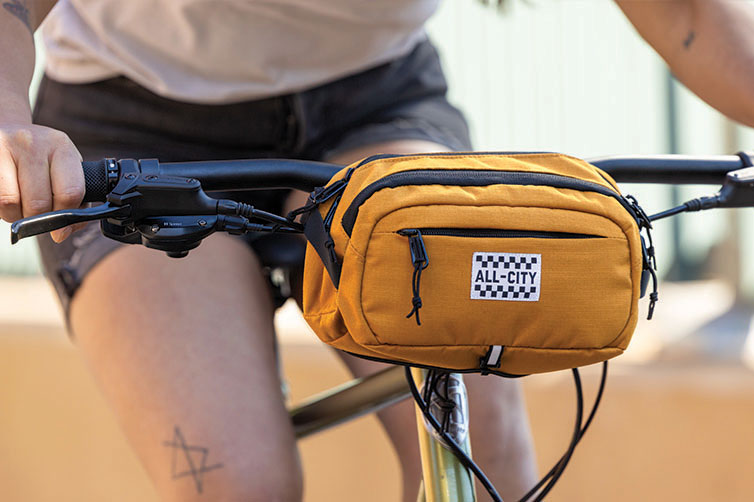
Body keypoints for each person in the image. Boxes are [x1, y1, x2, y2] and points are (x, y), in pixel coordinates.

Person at [1, 1, 754, 501]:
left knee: (482, 447)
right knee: (238, 482)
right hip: (131, 121)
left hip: (370, 100)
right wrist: (9, 125)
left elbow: (685, 12)